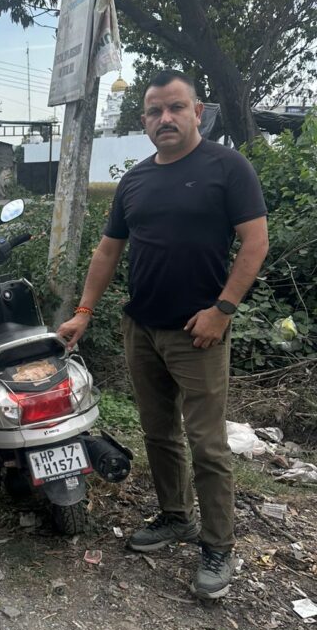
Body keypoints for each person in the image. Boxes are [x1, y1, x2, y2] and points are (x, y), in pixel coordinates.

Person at [58, 69, 269, 600]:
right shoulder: (134, 181)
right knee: (158, 433)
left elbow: (255, 243)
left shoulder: (227, 167)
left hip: (198, 334)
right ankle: (175, 516)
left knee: (208, 444)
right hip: (142, 328)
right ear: (145, 120)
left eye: (175, 107)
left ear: (197, 112)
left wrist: (222, 310)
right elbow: (109, 250)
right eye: (154, 111)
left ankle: (217, 546)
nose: (165, 118)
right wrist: (83, 311)